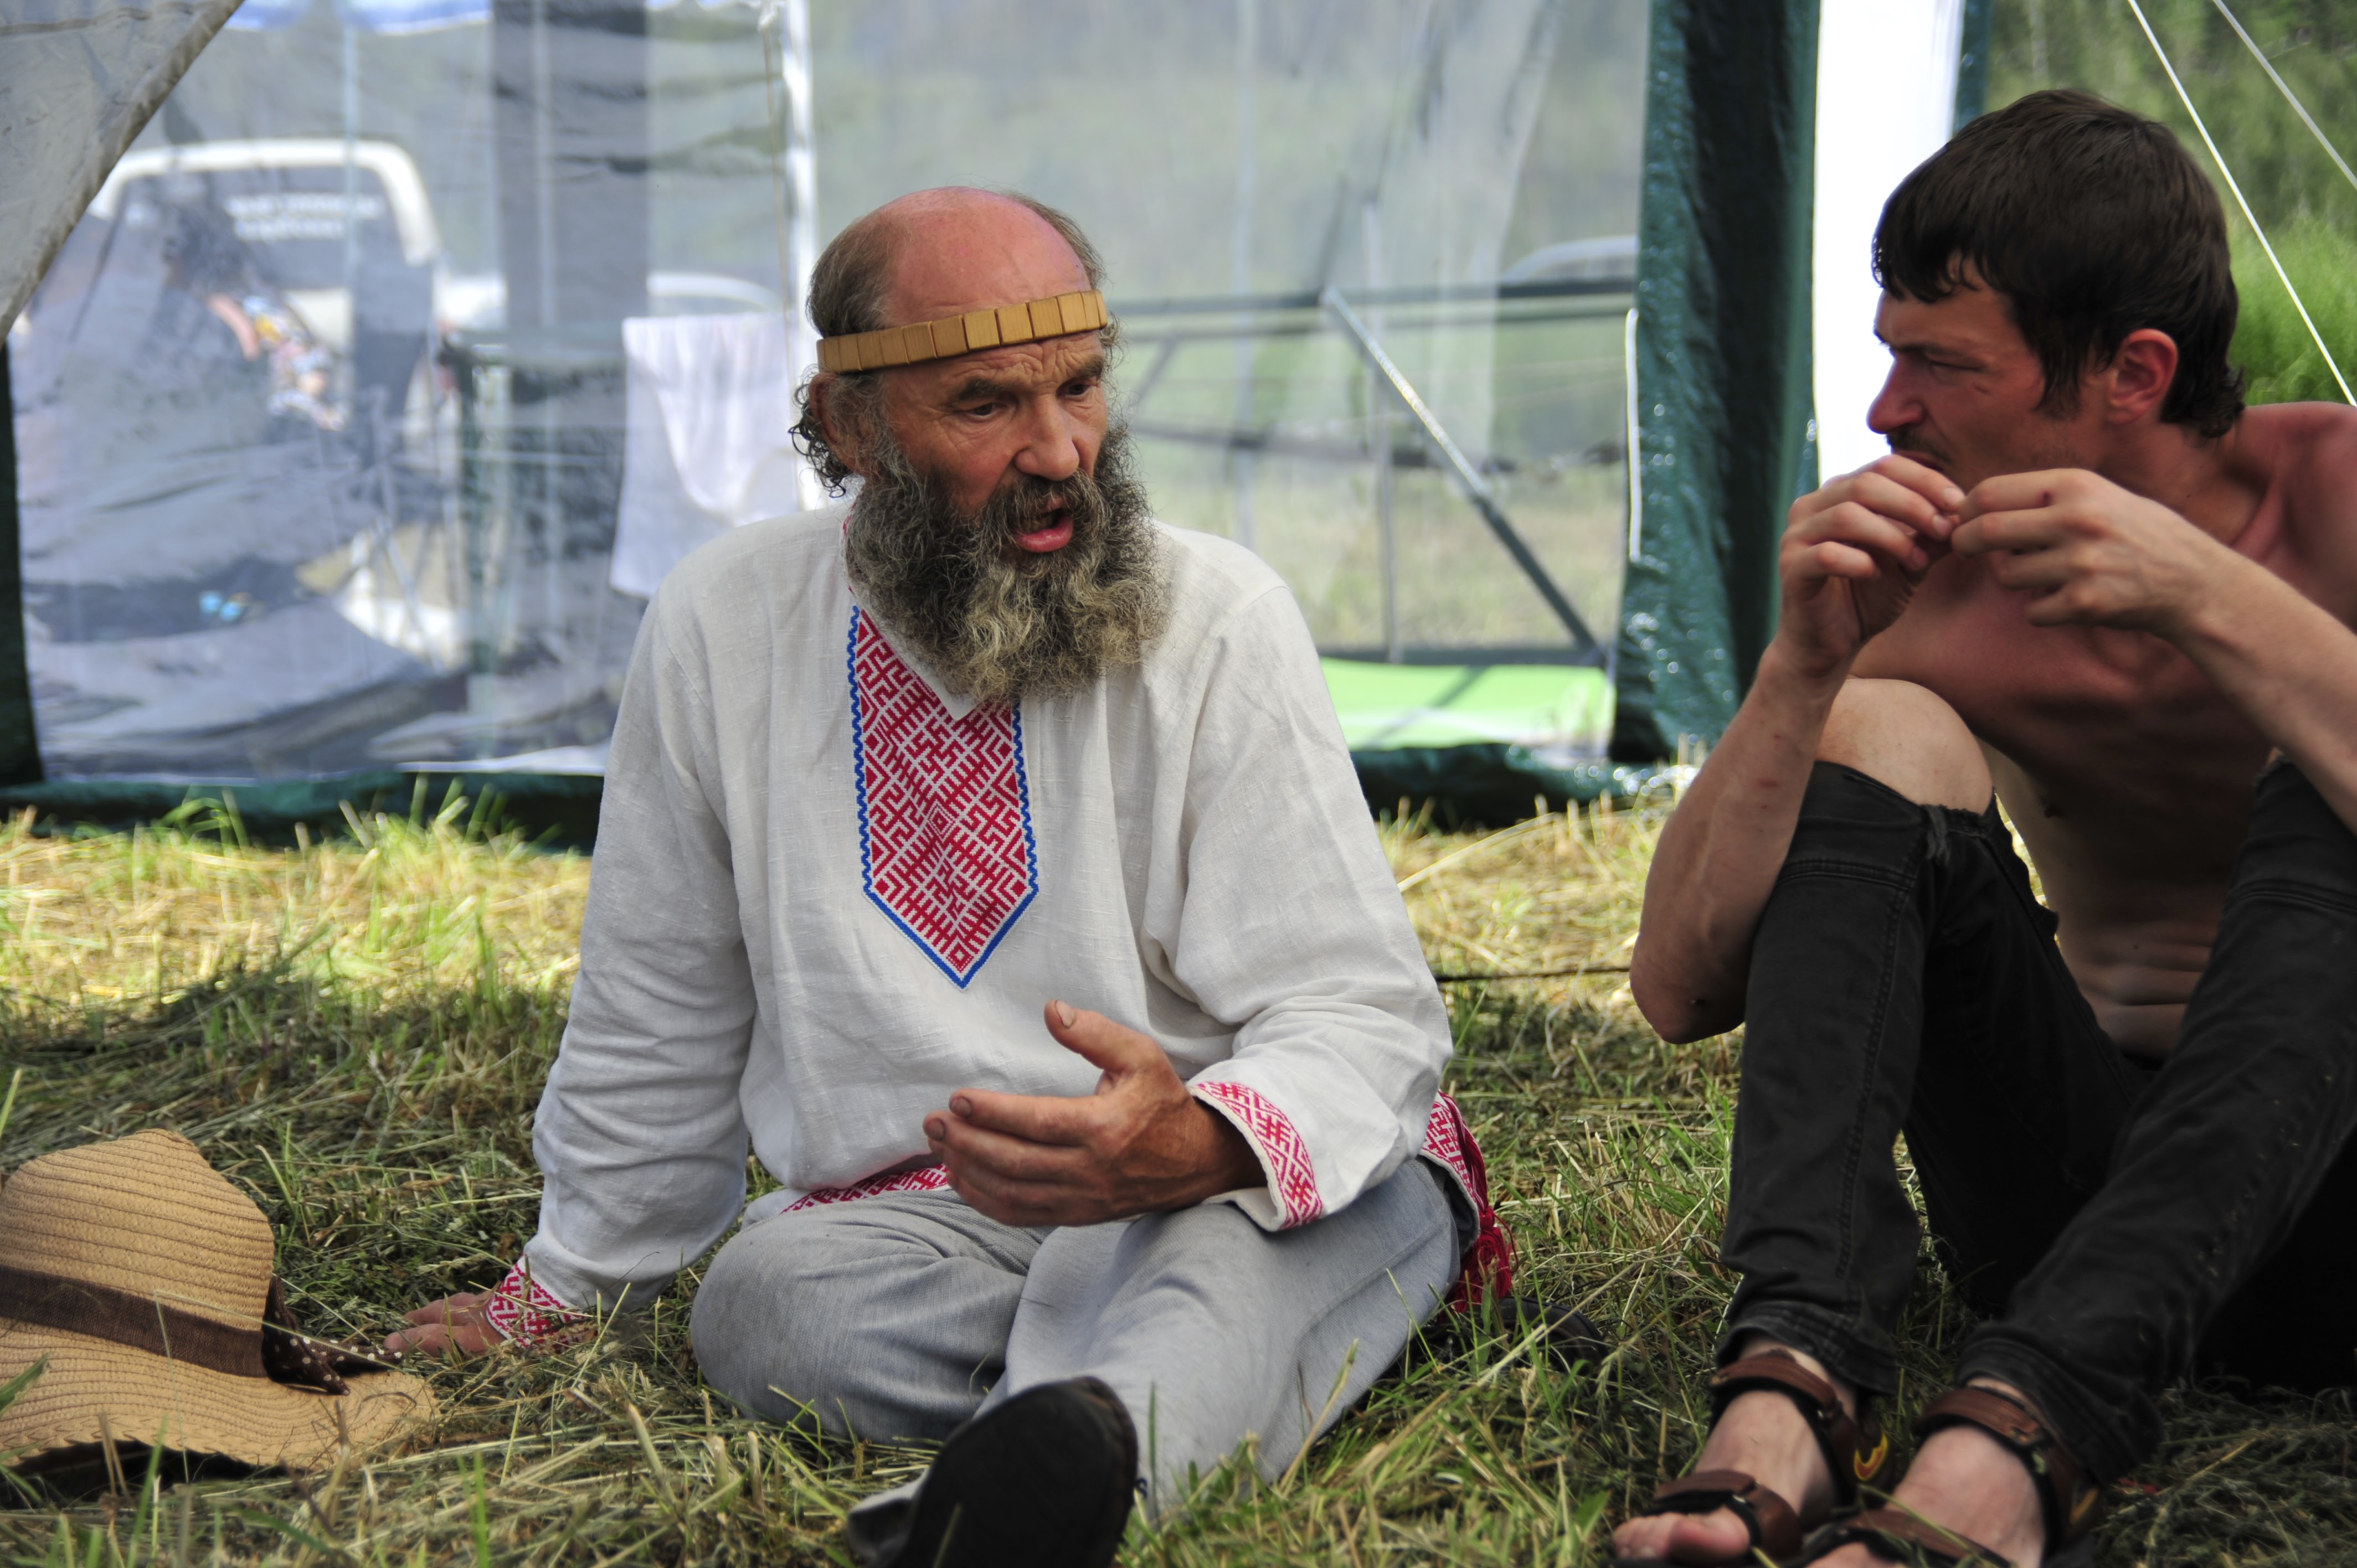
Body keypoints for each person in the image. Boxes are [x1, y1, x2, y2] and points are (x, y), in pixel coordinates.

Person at [385, 187, 1515, 1568]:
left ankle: (1063, 1481)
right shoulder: (722, 626)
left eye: (1080, 387)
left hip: (1233, 1186)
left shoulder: (1221, 619)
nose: (1061, 452)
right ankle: (1159, 1401)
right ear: (851, 424)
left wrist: (1195, 1144)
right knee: (767, 1305)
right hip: (937, 1234)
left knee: (1257, 1254)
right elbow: (657, 1008)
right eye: (986, 404)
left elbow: (1360, 1015)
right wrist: (567, 1287)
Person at [1609, 89, 2357, 1568]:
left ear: (2134, 372)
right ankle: (1791, 1389)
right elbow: (1677, 989)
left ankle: (2020, 1442)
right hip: (2068, 1205)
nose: (1885, 412)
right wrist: (1802, 670)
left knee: (2328, 777)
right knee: (1882, 727)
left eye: (1939, 365)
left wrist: (2201, 593)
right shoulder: (1931, 581)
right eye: (1890, 354)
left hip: (2334, 1228)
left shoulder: (2336, 495)